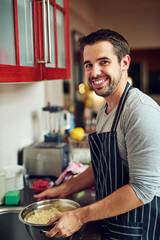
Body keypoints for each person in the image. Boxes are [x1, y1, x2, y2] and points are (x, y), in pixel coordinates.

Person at [34, 29, 160, 239]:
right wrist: (63, 189)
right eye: (88, 64)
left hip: (139, 226)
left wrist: (80, 216)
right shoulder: (105, 110)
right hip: (112, 220)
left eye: (104, 62)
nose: (94, 72)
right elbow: (103, 166)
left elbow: (143, 189)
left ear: (124, 62)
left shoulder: (140, 112)